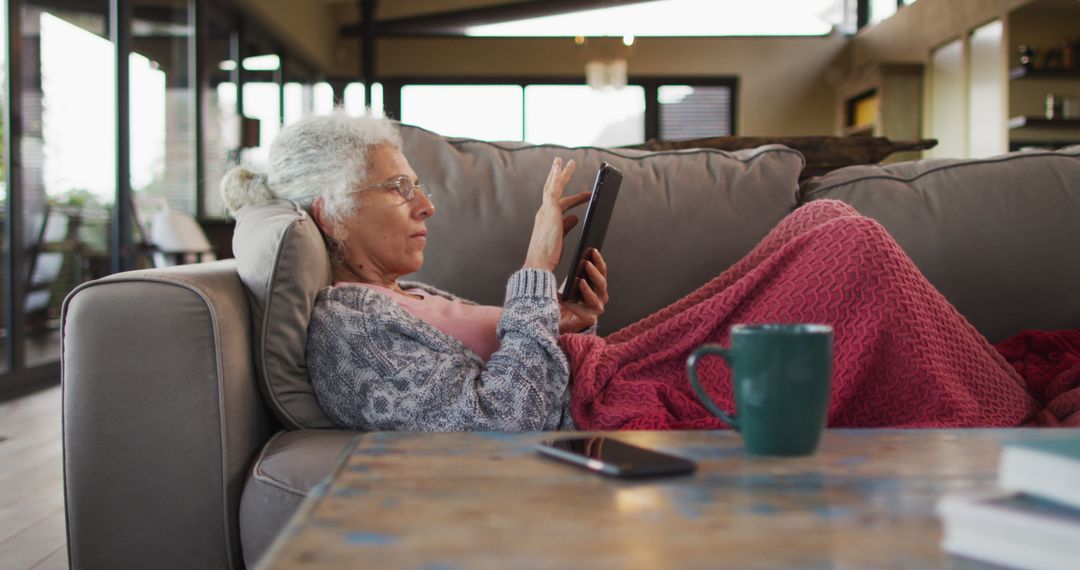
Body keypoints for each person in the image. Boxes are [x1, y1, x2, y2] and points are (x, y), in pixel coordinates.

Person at [220, 112, 1043, 432]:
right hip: (613, 400)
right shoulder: (348, 326)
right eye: (399, 190)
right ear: (328, 212)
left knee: (829, 225)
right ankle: (999, 409)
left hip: (609, 366)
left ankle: (995, 393)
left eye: (419, 185)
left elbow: (511, 361)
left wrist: (561, 320)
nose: (425, 205)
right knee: (846, 249)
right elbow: (508, 423)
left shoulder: (395, 298)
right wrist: (537, 272)